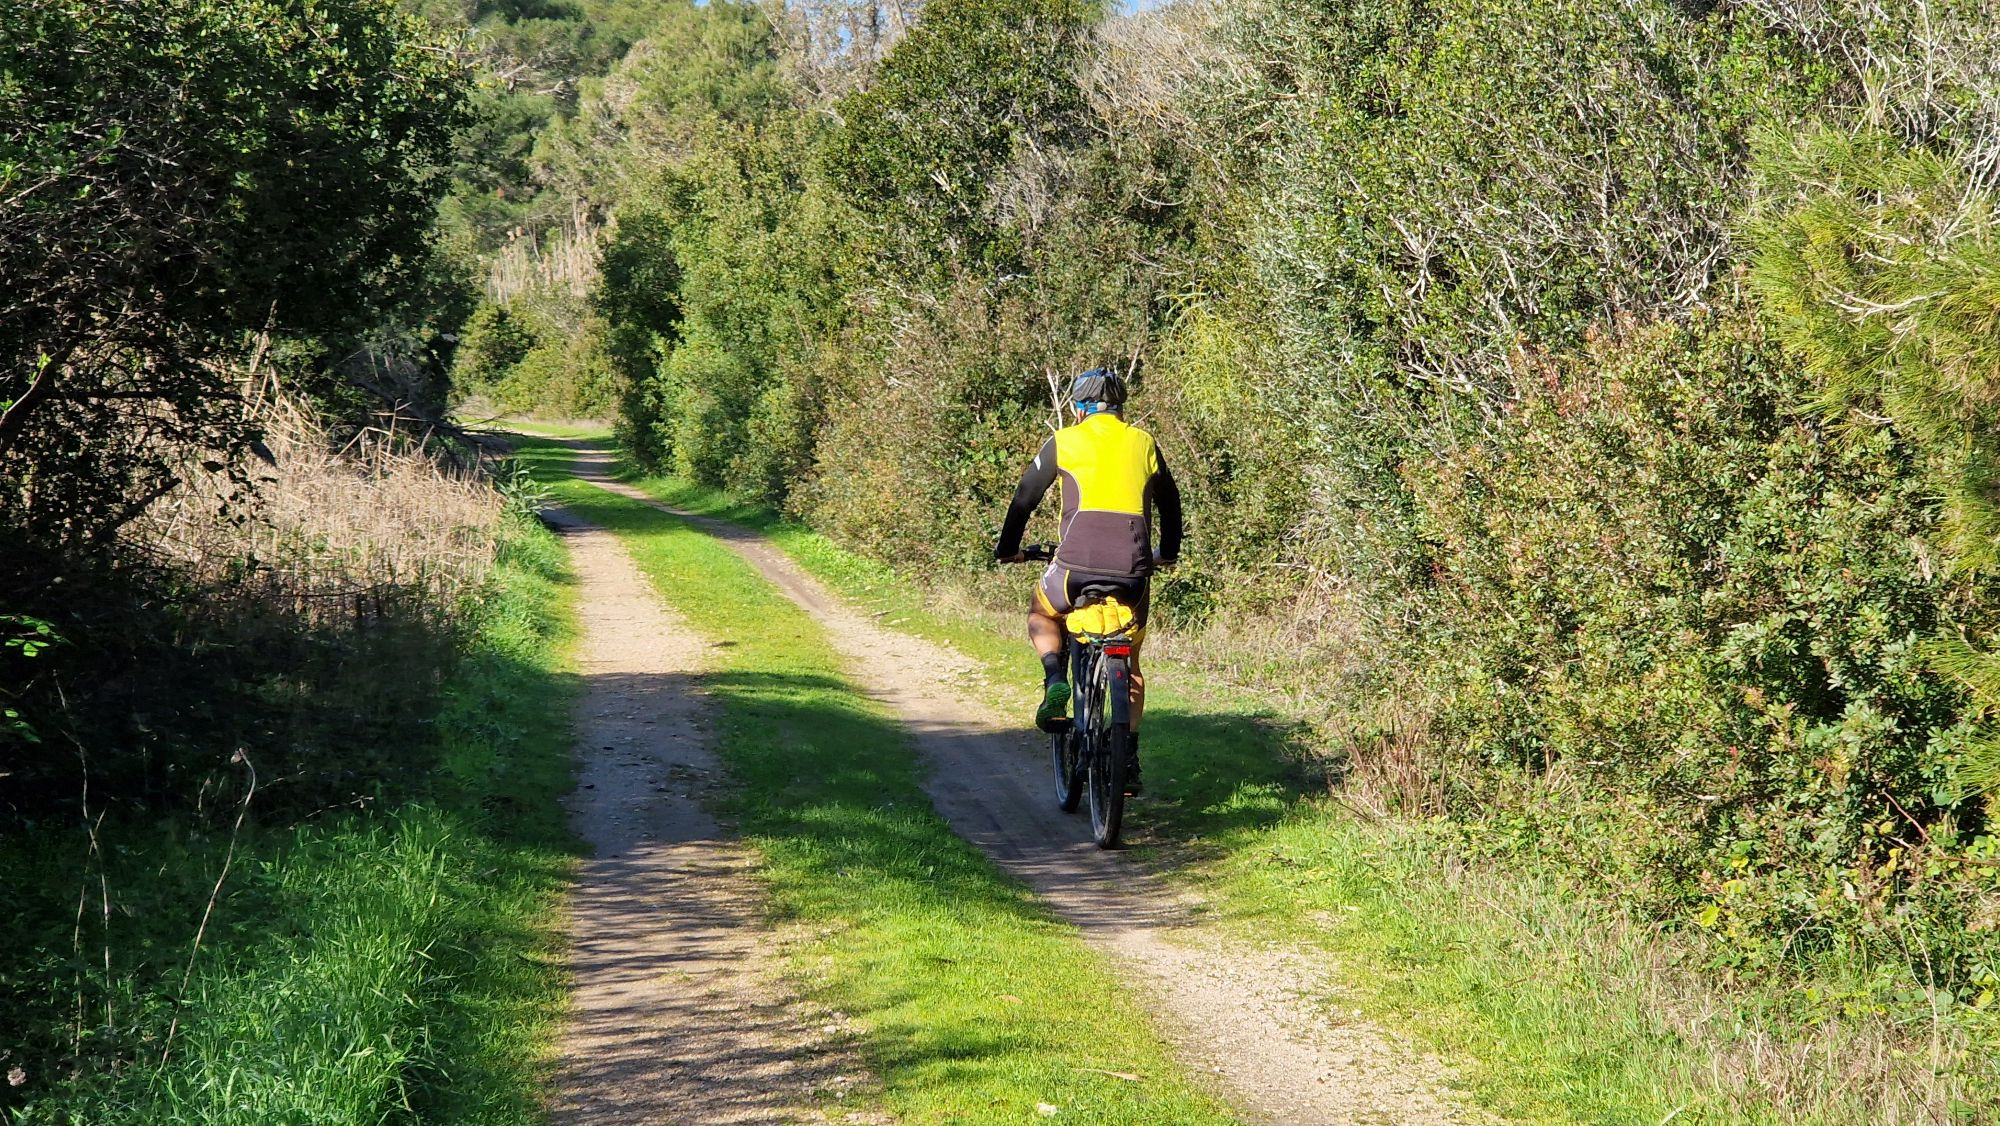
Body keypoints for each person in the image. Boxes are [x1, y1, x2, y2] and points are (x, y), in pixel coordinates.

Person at [994, 367, 1182, 792]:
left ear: (1078, 409)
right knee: (1131, 661)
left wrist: (1009, 549)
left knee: (1043, 612)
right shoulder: (1144, 442)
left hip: (1074, 570)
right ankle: (1127, 759)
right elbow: (1171, 505)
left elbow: (1024, 499)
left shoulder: (1065, 440)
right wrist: (1166, 554)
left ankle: (1055, 679)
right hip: (1133, 575)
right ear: (1120, 408)